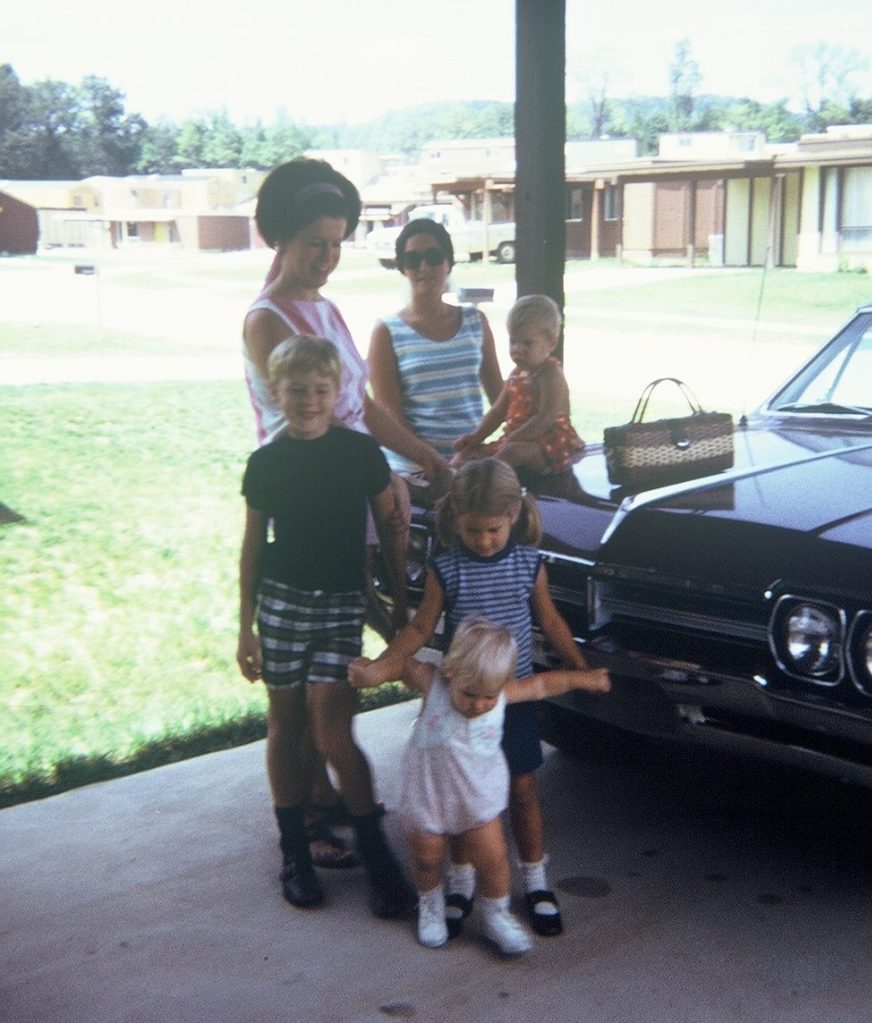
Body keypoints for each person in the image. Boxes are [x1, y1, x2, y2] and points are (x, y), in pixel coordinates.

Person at [242, 158, 449, 868]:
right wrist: (380, 483)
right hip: (312, 506)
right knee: (306, 681)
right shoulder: (267, 319)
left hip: (355, 498)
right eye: (314, 244)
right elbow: (318, 421)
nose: (327, 258)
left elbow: (362, 406)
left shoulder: (326, 310)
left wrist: (424, 457)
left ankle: (329, 795)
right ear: (281, 238)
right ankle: (308, 813)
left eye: (336, 244)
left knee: (334, 665)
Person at [349, 457, 590, 938]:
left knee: (522, 790)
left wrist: (580, 668)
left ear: (514, 515)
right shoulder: (447, 568)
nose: (483, 541)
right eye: (473, 530)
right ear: (455, 518)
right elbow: (421, 627)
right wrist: (382, 664)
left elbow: (550, 621)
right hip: (462, 701)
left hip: (512, 699)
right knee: (460, 796)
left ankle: (536, 881)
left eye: (493, 530)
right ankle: (461, 886)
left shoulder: (528, 565)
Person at [237, 335, 415, 918]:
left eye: (320, 389)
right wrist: (245, 628)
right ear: (275, 391)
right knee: (286, 728)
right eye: (296, 390)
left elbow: (391, 528)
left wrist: (399, 603)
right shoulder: (266, 462)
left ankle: (376, 853)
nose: (309, 400)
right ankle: (295, 852)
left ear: (337, 392)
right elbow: (251, 548)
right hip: (282, 607)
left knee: (336, 733)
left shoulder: (360, 453)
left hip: (341, 606)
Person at [350, 616, 610, 952]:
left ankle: (495, 915)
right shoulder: (434, 684)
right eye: (469, 694)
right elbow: (403, 665)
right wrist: (373, 673)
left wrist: (584, 679)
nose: (478, 704)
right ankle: (431, 907)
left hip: (477, 800)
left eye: (487, 696)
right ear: (451, 672)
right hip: (428, 795)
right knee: (427, 858)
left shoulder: (499, 696)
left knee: (494, 859)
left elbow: (544, 685)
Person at [367, 217, 504, 480]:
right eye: (412, 259)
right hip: (413, 470)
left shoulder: (475, 321)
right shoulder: (386, 331)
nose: (424, 267)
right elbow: (389, 415)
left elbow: (502, 397)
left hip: (469, 466)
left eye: (433, 256)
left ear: (448, 263)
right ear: (402, 267)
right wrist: (435, 462)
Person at [452, 294, 583, 473]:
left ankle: (489, 477)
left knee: (511, 453)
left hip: (549, 442)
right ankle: (450, 480)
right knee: (466, 455)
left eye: (527, 343)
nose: (517, 349)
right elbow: (497, 412)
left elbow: (546, 418)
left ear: (551, 343)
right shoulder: (516, 375)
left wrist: (514, 438)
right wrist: (475, 437)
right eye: (513, 341)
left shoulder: (550, 374)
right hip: (515, 440)